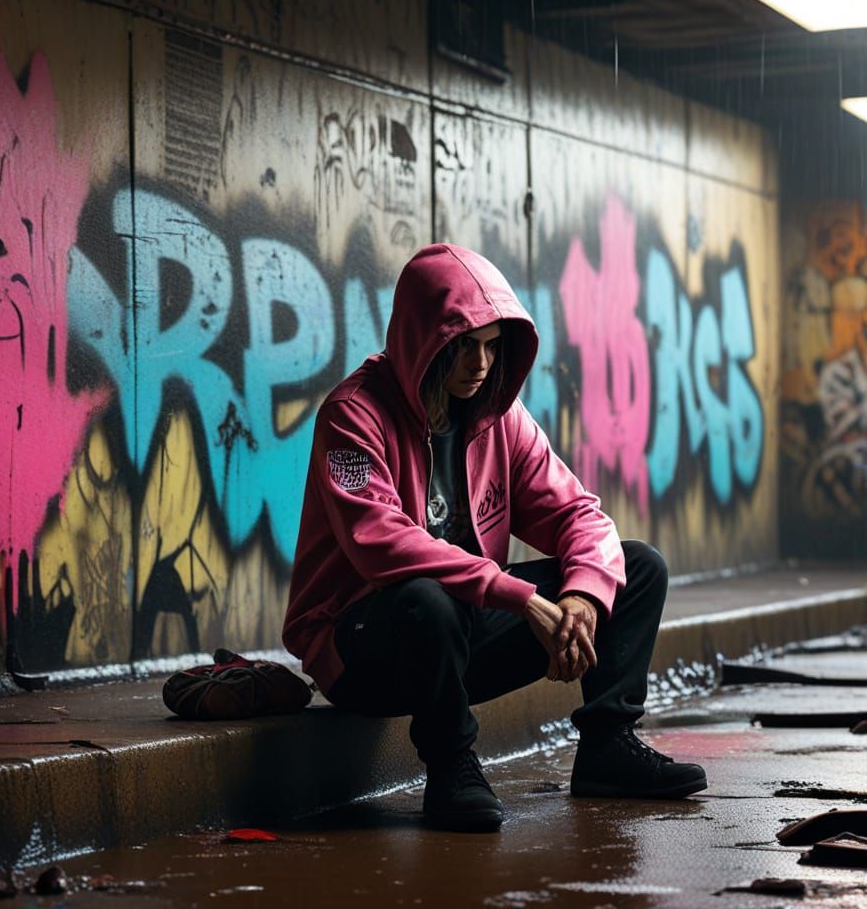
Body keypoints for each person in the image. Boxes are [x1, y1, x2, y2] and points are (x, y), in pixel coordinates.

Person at [282, 243, 707, 832]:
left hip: (462, 631)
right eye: (462, 346)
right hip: (363, 650)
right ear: (423, 339)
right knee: (425, 597)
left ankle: (608, 747)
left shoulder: (498, 416)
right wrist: (517, 595)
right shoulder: (353, 415)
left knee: (636, 568)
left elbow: (581, 515)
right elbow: (379, 542)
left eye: (491, 346)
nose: (479, 364)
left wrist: (582, 596)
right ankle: (452, 767)